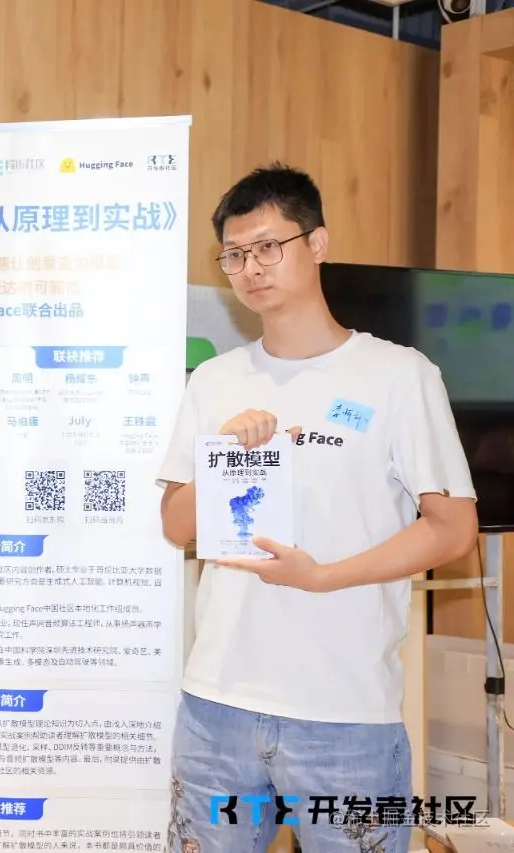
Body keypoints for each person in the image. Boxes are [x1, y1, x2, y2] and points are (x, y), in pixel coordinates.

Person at [157, 163, 477, 852]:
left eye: (268, 246)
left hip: (344, 713)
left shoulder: (398, 375)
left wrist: (322, 576)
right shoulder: (215, 380)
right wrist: (222, 456)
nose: (251, 268)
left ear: (318, 243)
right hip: (217, 706)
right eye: (234, 254)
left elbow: (453, 527)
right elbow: (176, 526)